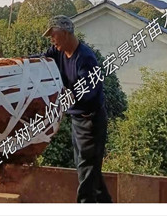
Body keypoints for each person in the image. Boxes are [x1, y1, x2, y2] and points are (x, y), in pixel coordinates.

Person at [30, 15, 112, 203]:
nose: (52, 40)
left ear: (66, 33)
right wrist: (20, 62)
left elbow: (86, 93)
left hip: (91, 121)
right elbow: (42, 60)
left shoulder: (86, 58)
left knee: (87, 171)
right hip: (77, 119)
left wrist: (58, 99)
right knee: (89, 170)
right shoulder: (57, 52)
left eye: (54, 35)